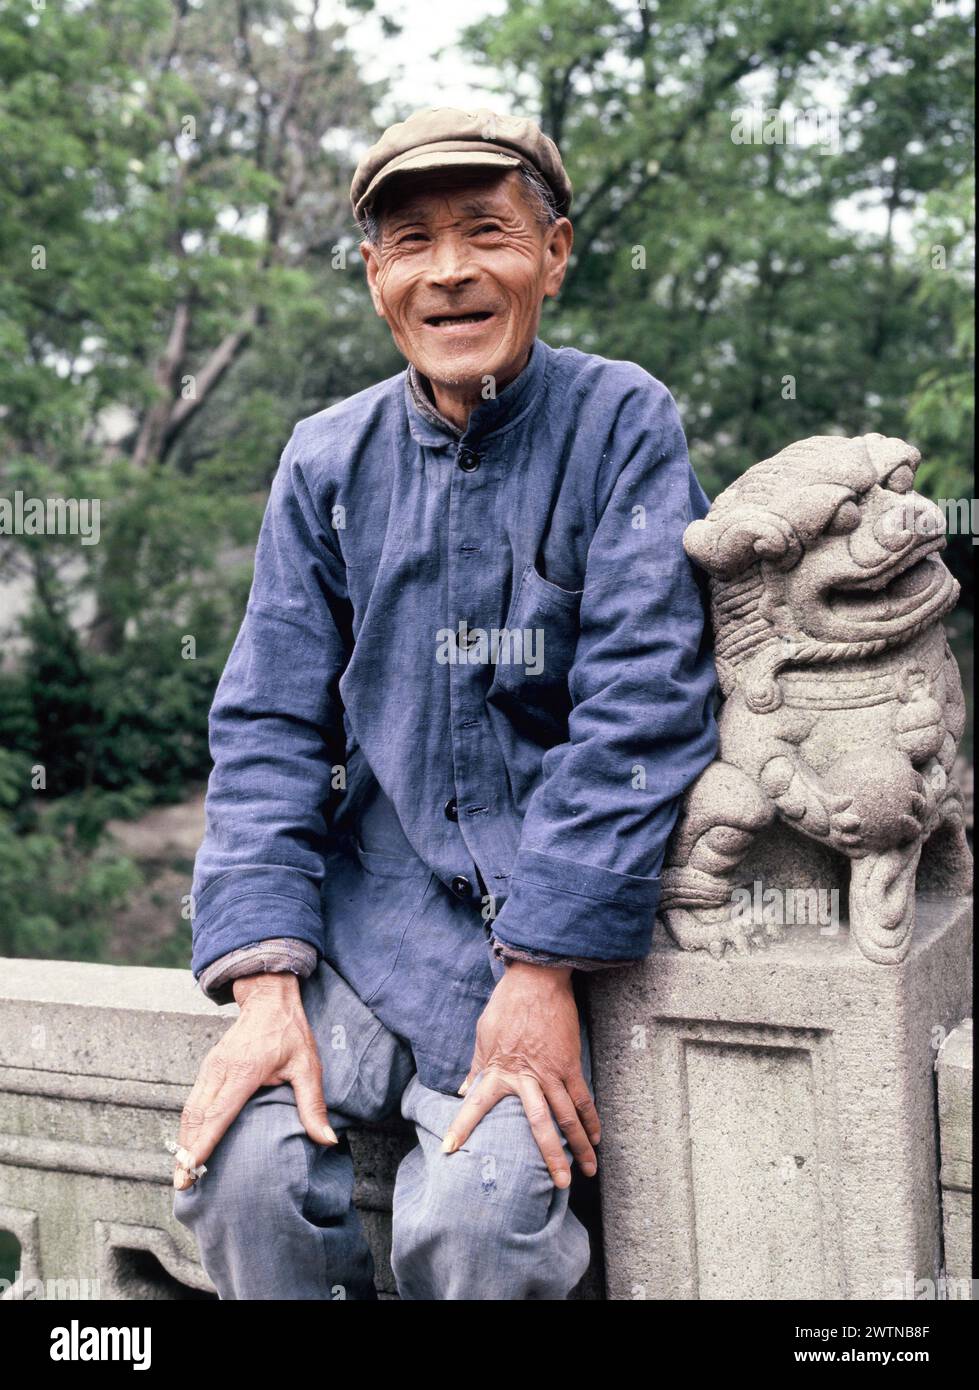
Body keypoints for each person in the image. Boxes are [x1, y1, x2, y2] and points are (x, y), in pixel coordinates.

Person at [172, 105, 718, 1300]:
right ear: (376, 277)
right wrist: (266, 988)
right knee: (238, 1177)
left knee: (478, 1225)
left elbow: (644, 708)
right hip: (365, 933)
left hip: (539, 938)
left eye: (489, 231)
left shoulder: (621, 421)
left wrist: (542, 966)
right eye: (412, 242)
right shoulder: (325, 459)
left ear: (554, 253)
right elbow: (267, 726)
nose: (453, 271)